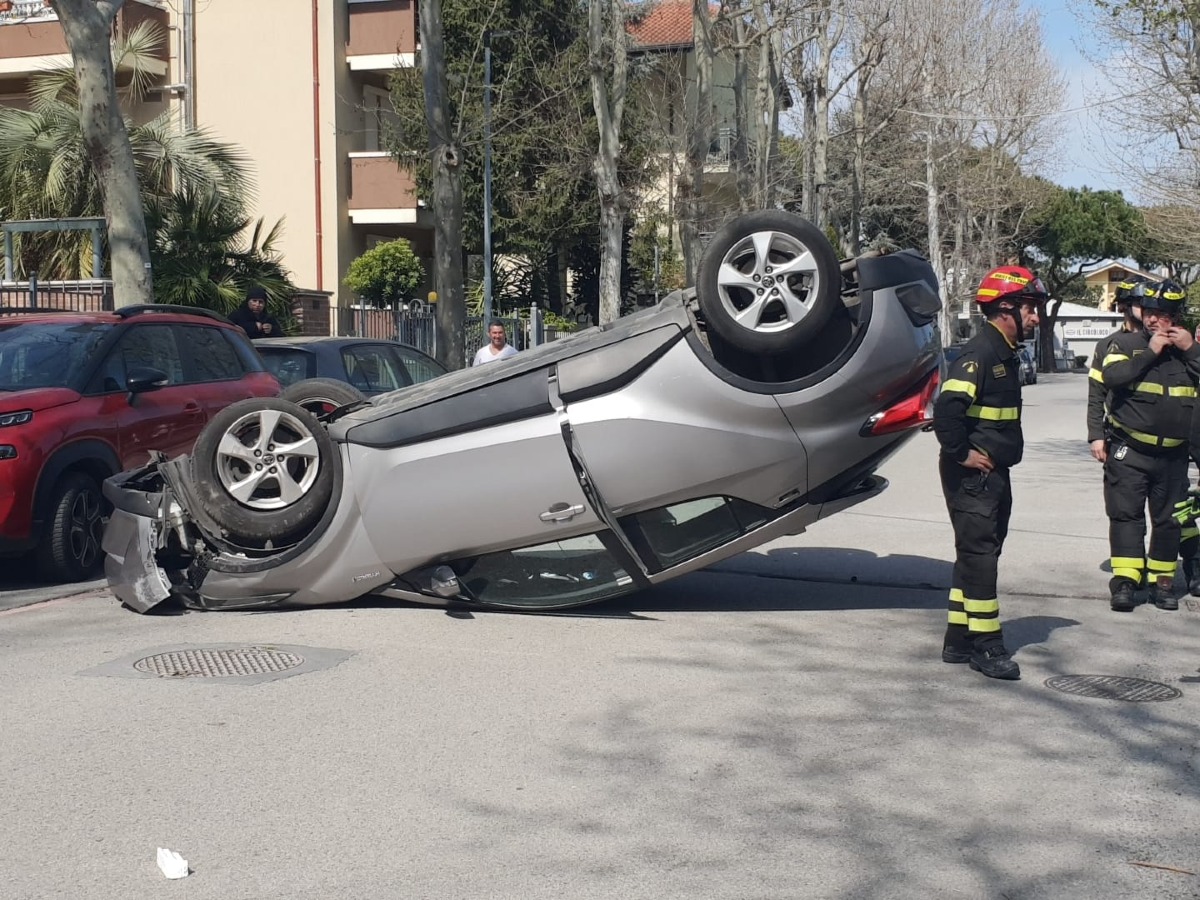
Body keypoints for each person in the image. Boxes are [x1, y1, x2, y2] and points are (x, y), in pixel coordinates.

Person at [934, 266, 1045, 680]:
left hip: (994, 474)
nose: (1036, 318)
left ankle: (959, 639)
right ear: (1005, 309)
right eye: (1030, 309)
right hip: (973, 477)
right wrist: (962, 453)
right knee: (981, 557)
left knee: (978, 552)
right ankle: (987, 645)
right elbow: (946, 411)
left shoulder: (1005, 353)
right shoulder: (980, 354)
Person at [1099, 279, 1199, 612]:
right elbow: (1111, 378)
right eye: (1150, 312)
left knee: (1170, 520)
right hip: (1130, 451)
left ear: (1176, 316)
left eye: (1163, 314)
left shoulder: (1189, 351)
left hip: (1173, 456)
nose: (1154, 320)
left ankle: (1162, 583)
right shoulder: (1126, 344)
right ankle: (1126, 582)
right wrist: (1150, 352)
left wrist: (1192, 350)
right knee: (1126, 516)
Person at [1087, 277, 1146, 463]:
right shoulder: (1107, 345)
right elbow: (1097, 394)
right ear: (1123, 307)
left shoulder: (1165, 343)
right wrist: (1096, 435)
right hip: (1121, 436)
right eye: (1140, 303)